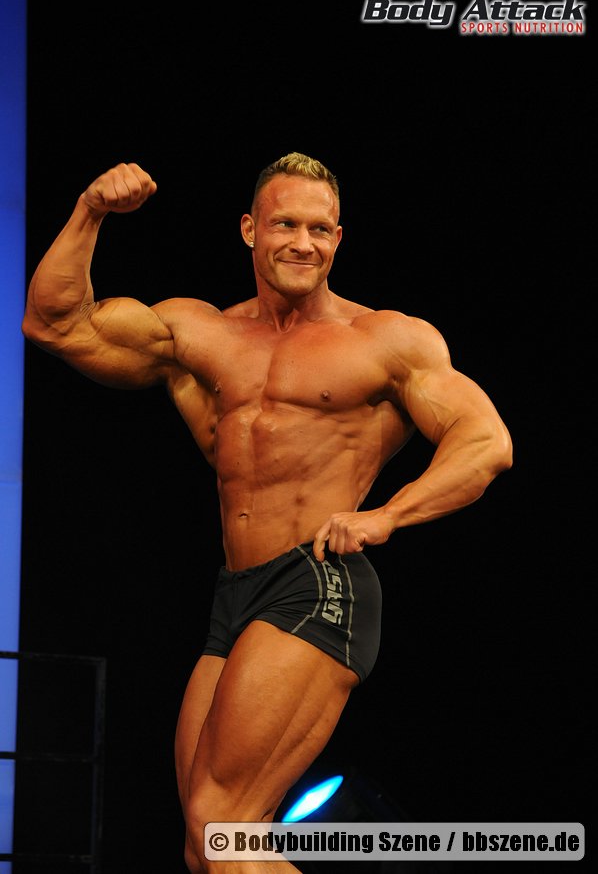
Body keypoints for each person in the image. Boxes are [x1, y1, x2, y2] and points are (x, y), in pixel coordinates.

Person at [22, 152, 513, 873]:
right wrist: (90, 211)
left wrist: (387, 515)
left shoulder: (385, 339)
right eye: (285, 225)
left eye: (320, 229)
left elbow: (486, 442)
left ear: (338, 238)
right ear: (250, 230)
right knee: (208, 846)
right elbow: (55, 324)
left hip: (317, 585)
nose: (303, 244)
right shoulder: (201, 334)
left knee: (223, 826)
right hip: (237, 595)